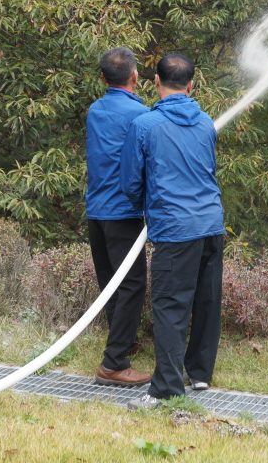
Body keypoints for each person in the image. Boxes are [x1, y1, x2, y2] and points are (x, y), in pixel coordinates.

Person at [120, 54, 225, 410]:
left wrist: (148, 206)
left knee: (169, 305)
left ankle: (166, 389)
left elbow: (131, 183)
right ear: (191, 85)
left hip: (176, 228)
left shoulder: (145, 125)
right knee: (206, 300)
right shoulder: (206, 122)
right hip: (211, 223)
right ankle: (199, 372)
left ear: (155, 81)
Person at [86, 47, 152, 387]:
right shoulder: (141, 116)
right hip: (122, 213)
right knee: (132, 284)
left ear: (102, 78)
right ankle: (114, 364)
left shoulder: (95, 110)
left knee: (111, 283)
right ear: (135, 76)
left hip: (95, 212)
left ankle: (122, 340)